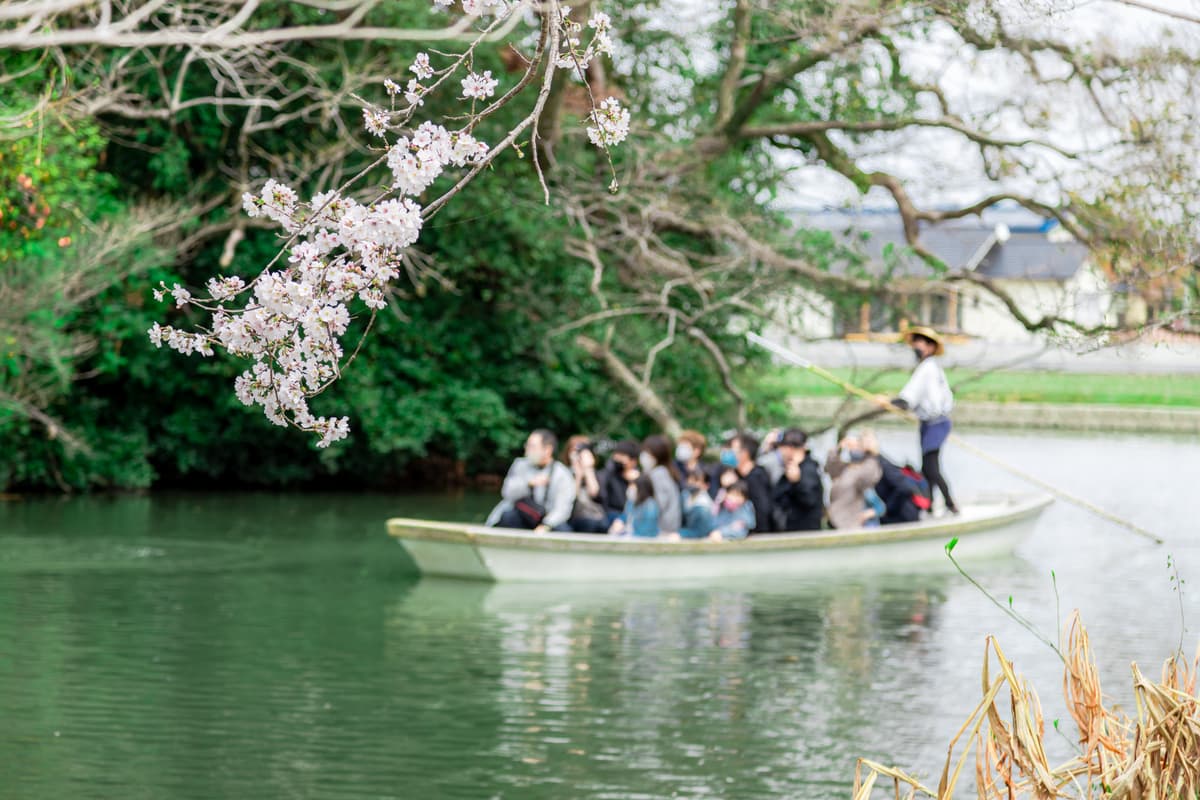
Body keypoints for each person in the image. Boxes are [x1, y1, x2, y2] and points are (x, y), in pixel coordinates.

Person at [882, 326, 958, 514]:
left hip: (936, 424)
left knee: (931, 468)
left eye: (921, 342)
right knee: (927, 467)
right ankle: (930, 505)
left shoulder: (927, 369)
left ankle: (950, 504)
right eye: (915, 342)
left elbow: (908, 398)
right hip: (929, 424)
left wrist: (888, 402)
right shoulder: (929, 368)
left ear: (930, 347)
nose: (917, 346)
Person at [487, 429, 577, 532]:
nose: (527, 450)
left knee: (563, 530)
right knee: (508, 517)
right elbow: (507, 493)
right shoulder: (520, 464)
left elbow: (563, 509)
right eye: (527, 445)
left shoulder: (562, 474)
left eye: (532, 446)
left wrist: (546, 525)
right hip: (522, 515)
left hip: (547, 520)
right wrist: (528, 484)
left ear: (547, 449)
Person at [825, 429, 884, 530]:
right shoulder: (846, 468)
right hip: (836, 521)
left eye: (859, 446)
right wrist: (839, 447)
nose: (855, 448)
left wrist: (870, 452)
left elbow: (866, 479)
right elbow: (830, 467)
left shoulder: (869, 466)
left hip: (854, 524)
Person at [771, 428, 824, 531]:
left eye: (782, 447)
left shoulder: (808, 469)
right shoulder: (791, 468)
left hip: (804, 533)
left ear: (790, 448)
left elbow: (809, 500)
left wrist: (797, 482)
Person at [721, 433, 774, 533]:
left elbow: (763, 510)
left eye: (732, 449)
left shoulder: (757, 477)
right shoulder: (735, 476)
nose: (728, 452)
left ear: (745, 453)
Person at [563, 435, 609, 533]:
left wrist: (588, 469)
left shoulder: (596, 473)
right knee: (590, 524)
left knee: (602, 524)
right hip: (573, 517)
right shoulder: (564, 473)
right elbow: (571, 498)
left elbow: (595, 493)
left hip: (595, 517)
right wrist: (578, 475)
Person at [639, 434, 682, 535]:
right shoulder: (659, 472)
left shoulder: (659, 474)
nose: (644, 456)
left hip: (662, 530)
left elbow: (658, 505)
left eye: (649, 452)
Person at [598, 439, 640, 523]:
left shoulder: (639, 478)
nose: (618, 459)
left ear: (633, 461)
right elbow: (601, 493)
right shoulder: (610, 473)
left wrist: (633, 482)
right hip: (610, 514)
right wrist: (611, 467)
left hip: (630, 515)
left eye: (622, 455)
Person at [611, 473, 660, 538]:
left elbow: (647, 531)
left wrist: (627, 534)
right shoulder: (631, 503)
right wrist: (619, 521)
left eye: (633, 486)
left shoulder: (651, 506)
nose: (630, 488)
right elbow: (625, 515)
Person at [679, 467, 716, 539]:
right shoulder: (686, 496)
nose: (691, 483)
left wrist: (680, 534)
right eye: (689, 479)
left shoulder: (704, 505)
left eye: (696, 480)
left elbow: (700, 533)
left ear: (706, 485)